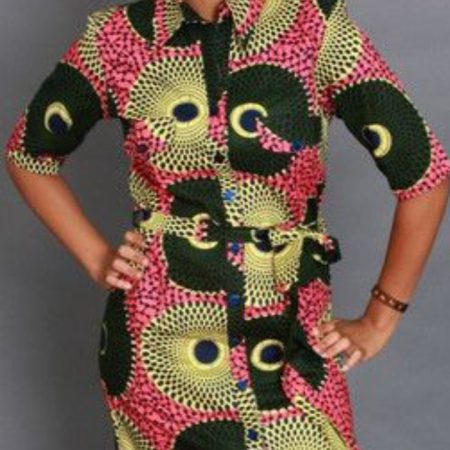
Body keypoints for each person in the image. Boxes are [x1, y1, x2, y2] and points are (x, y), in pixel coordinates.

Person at [4, 0, 450, 448]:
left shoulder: (314, 25)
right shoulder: (118, 36)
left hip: (290, 339)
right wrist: (96, 256)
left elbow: (425, 174)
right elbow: (28, 155)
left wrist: (381, 316)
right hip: (160, 345)